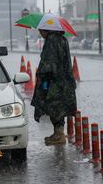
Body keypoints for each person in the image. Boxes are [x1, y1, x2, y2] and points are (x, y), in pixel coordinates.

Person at [31, 13, 77, 146]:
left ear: (46, 30)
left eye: (40, 31)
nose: (40, 33)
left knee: (53, 106)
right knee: (59, 107)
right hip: (64, 80)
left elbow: (50, 63)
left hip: (54, 81)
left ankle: (59, 135)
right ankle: (58, 133)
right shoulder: (62, 39)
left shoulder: (52, 40)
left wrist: (42, 74)